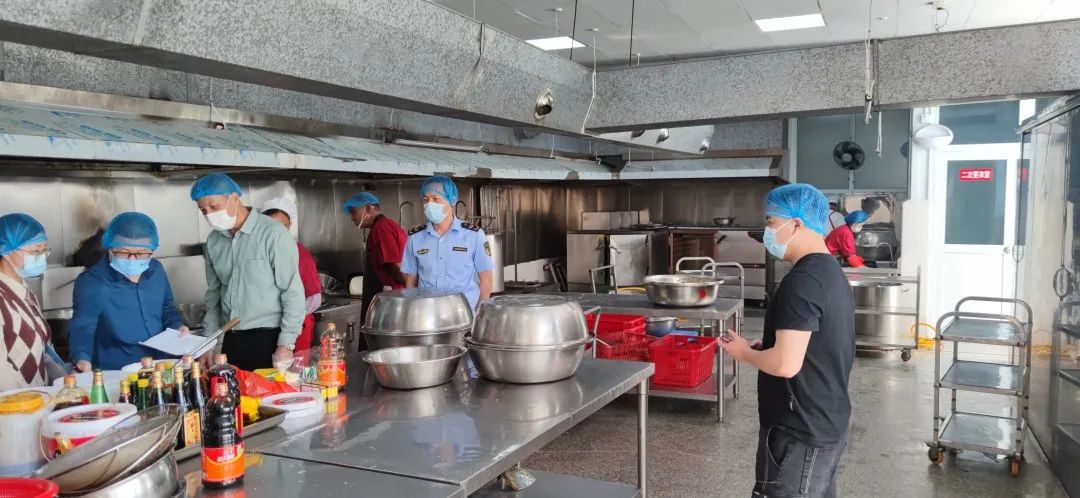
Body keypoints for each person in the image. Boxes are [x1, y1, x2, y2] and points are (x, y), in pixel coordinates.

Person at [719, 183, 855, 498]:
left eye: (771, 222)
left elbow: (785, 364)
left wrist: (743, 353)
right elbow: (818, 343)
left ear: (796, 224)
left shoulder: (803, 281)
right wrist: (766, 346)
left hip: (799, 432)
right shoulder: (829, 272)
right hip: (826, 419)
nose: (768, 232)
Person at [191, 173, 304, 372]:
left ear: (234, 198)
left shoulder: (272, 233)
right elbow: (213, 294)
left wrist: (286, 345)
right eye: (203, 210)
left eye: (214, 206)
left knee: (265, 392)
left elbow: (292, 292)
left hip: (269, 338)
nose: (209, 215)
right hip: (232, 339)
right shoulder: (214, 242)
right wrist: (208, 342)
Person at [69, 212, 189, 371]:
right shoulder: (92, 282)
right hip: (116, 372)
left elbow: (167, 308)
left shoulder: (156, 271)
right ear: (110, 249)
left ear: (151, 251)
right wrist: (82, 359)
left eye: (141, 254)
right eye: (123, 253)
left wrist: (177, 325)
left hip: (159, 366)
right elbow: (83, 327)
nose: (132, 259)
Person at [402, 176, 494, 311]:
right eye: (426, 200)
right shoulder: (415, 238)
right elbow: (411, 282)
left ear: (452, 200)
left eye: (436, 199)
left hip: (463, 315)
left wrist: (479, 311)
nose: (430, 204)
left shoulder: (474, 235)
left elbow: (486, 279)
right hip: (427, 314)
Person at [258, 197, 321, 353]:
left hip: (297, 328)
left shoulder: (301, 255)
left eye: (283, 226)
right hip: (268, 328)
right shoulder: (259, 253)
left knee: (293, 366)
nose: (277, 231)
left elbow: (314, 298)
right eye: (271, 226)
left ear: (289, 225)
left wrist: (289, 319)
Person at [0, 213, 53, 391]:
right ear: (7, 251)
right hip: (14, 402)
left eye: (44, 251)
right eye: (36, 252)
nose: (42, 258)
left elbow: (41, 351)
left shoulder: (25, 292)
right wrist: (31, 398)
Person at [343, 191, 407, 324]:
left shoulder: (382, 229)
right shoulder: (382, 227)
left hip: (393, 301)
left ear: (368, 208)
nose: (352, 218)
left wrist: (408, 290)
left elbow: (395, 266)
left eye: (354, 212)